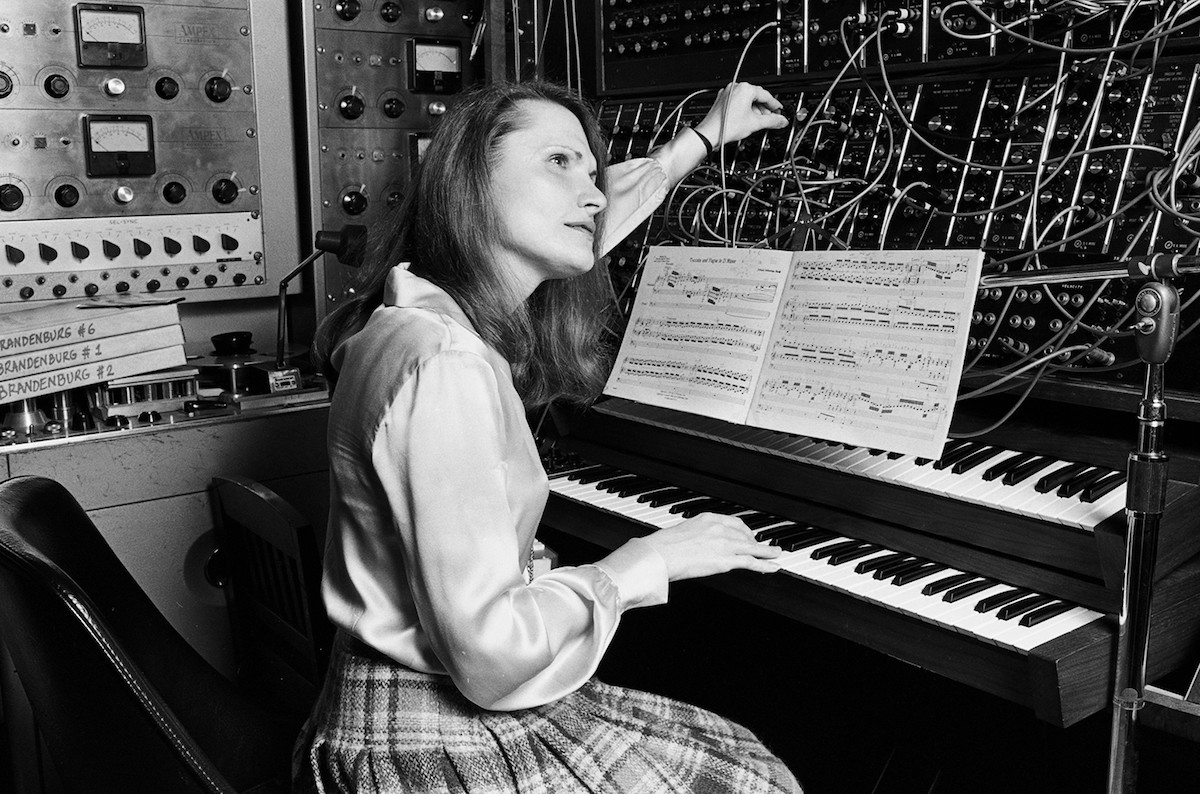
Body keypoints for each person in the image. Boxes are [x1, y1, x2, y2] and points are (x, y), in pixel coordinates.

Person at [296, 78, 799, 793]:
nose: (592, 195)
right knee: (755, 779)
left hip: (380, 702)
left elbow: (592, 221)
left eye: (592, 174)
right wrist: (647, 560)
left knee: (731, 752)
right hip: (425, 744)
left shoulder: (413, 311)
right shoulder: (446, 367)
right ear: (471, 181)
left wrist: (702, 140)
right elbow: (488, 655)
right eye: (560, 163)